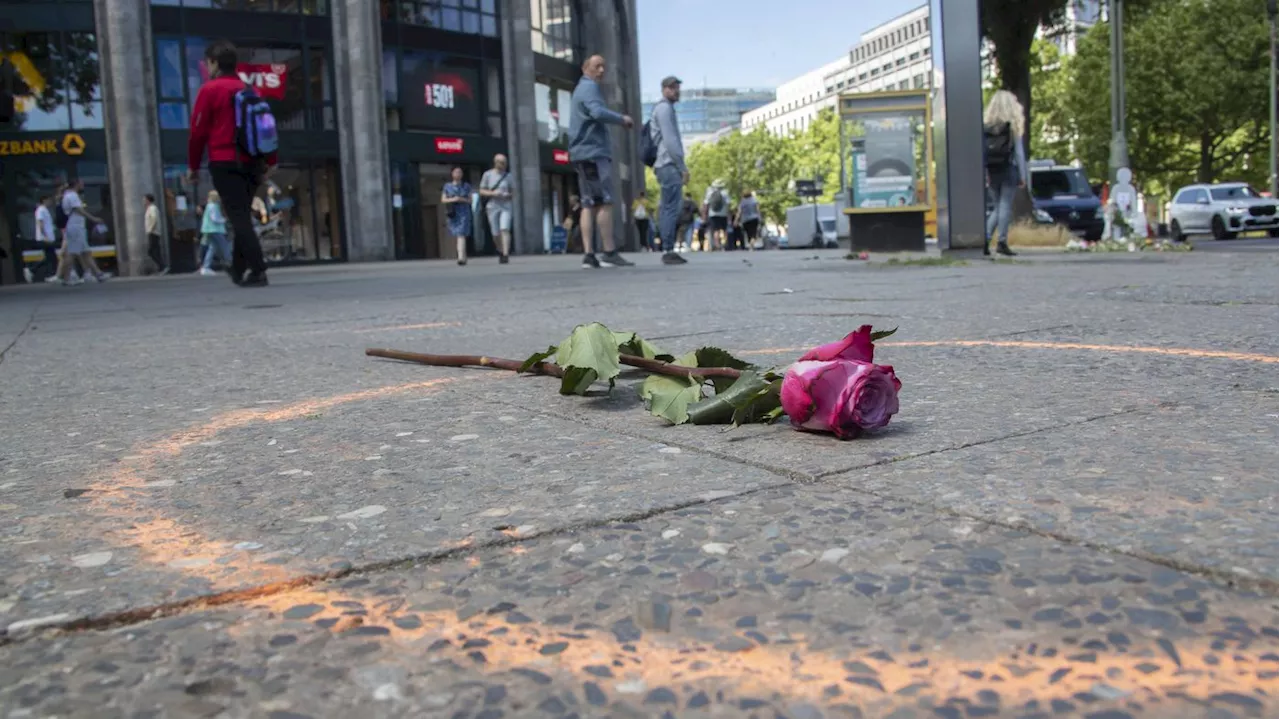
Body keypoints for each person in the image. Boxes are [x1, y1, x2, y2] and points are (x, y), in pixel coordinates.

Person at [188, 38, 277, 287]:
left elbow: (197, 133)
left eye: (208, 63)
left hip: (224, 160)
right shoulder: (250, 90)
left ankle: (258, 269)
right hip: (252, 162)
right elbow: (265, 126)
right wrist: (271, 160)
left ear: (214, 63)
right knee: (242, 214)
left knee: (237, 217)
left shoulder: (210, 90)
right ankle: (238, 269)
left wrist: (193, 166)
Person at [568, 53, 635, 268]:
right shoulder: (589, 88)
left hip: (582, 153)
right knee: (604, 202)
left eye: (604, 66)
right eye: (597, 66)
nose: (602, 70)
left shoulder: (580, 89)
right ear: (585, 67)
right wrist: (621, 119)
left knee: (588, 203)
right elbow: (597, 112)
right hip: (592, 152)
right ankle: (608, 251)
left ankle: (589, 254)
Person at [651, 75, 689, 266]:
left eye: (677, 87)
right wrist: (682, 167)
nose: (677, 91)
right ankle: (668, 249)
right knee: (670, 207)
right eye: (673, 88)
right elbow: (671, 141)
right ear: (665, 89)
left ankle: (668, 247)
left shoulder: (664, 108)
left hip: (664, 164)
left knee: (669, 206)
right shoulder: (664, 109)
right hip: (668, 164)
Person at [983, 89, 1025, 257]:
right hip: (1008, 168)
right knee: (1005, 204)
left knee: (996, 207)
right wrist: (1023, 175)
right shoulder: (1011, 127)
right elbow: (1019, 153)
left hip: (992, 169)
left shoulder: (986, 127)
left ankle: (984, 239)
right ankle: (1001, 241)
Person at [56, 178, 108, 285]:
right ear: (76, 184)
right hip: (75, 227)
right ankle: (66, 278)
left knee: (86, 252)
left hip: (77, 227)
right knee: (72, 253)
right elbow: (78, 210)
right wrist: (93, 218)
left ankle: (98, 274)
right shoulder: (72, 196)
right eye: (81, 183)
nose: (83, 185)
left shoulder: (67, 196)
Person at [478, 153, 514, 264]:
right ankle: (500, 249)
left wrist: (508, 195)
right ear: (496, 163)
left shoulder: (508, 176)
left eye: (505, 163)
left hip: (505, 205)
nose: (504, 165)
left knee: (505, 229)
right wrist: (493, 193)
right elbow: (481, 191)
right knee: (495, 232)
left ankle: (506, 254)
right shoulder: (487, 175)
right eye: (501, 162)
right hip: (492, 205)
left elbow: (513, 191)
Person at [442, 166, 473, 266]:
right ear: (452, 174)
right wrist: (454, 199)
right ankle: (462, 255)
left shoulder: (466, 186)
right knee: (456, 234)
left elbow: (470, 200)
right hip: (453, 212)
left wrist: (461, 199)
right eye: (456, 172)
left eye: (460, 172)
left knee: (461, 233)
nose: (458, 174)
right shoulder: (447, 186)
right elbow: (443, 199)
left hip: (464, 212)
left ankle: (461, 257)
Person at [28, 194, 60, 283]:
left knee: (50, 257)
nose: (50, 202)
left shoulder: (45, 210)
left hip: (48, 238)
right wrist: (44, 235)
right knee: (52, 257)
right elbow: (40, 223)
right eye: (49, 200)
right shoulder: (40, 210)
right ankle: (52, 274)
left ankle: (33, 270)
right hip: (44, 238)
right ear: (44, 200)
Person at [199, 190, 231, 276]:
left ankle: (206, 267)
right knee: (225, 246)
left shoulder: (209, 206)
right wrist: (224, 220)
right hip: (215, 230)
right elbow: (215, 218)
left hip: (209, 230)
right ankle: (231, 263)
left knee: (212, 248)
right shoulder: (213, 206)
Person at [702, 179, 731, 250]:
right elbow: (728, 205)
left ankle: (717, 245)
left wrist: (704, 215)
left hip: (713, 214)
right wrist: (729, 215)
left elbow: (706, 205)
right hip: (723, 214)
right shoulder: (725, 193)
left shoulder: (710, 193)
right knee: (724, 230)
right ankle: (725, 245)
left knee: (716, 230)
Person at [144, 194, 168, 274]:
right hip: (152, 232)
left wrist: (150, 229)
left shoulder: (152, 208)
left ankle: (162, 266)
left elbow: (154, 218)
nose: (143, 201)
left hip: (153, 232)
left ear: (148, 200)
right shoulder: (150, 208)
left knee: (151, 251)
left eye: (144, 199)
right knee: (155, 251)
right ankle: (162, 267)